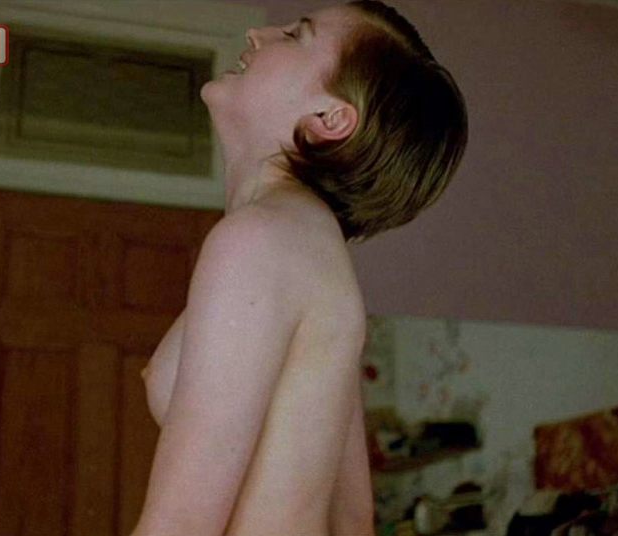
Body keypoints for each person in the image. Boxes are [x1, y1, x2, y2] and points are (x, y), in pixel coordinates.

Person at [133, 1, 468, 535]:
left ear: (330, 119)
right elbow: (352, 520)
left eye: (293, 35)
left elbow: (180, 525)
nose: (257, 33)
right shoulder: (297, 240)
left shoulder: (262, 240)